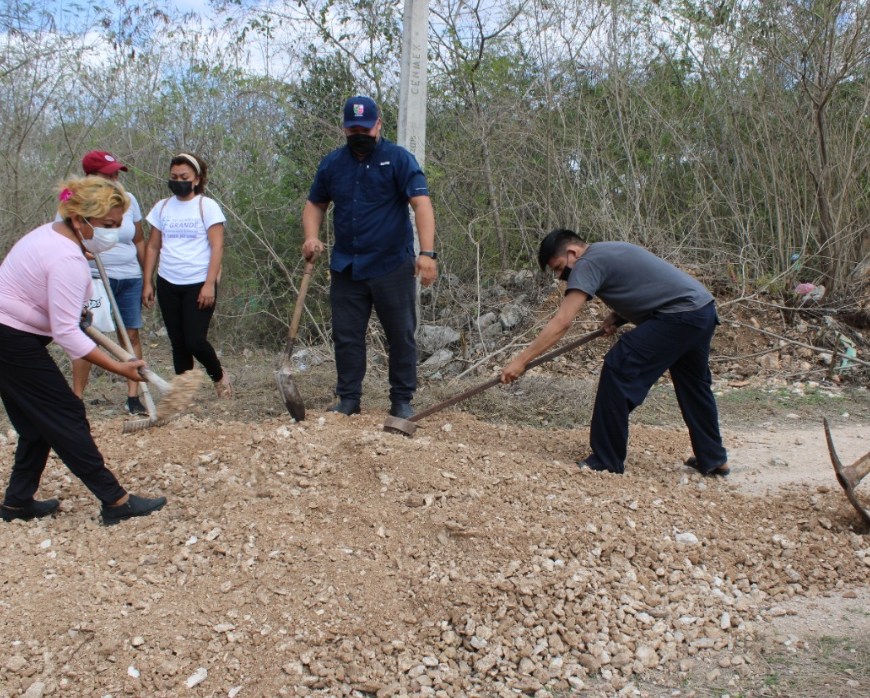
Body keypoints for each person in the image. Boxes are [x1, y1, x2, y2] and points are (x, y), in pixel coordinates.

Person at [0, 176, 167, 524]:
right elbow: (67, 334)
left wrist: (76, 311)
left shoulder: (50, 235)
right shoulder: (67, 259)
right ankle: (116, 501)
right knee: (66, 414)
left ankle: (16, 503)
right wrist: (119, 367)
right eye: (108, 225)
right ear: (79, 220)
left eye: (118, 224)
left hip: (10, 334)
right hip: (11, 340)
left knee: (35, 424)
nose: (114, 233)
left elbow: (48, 304)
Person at [501, 229, 728, 476]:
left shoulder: (586, 263)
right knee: (694, 385)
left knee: (618, 369)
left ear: (572, 252)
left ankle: (606, 460)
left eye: (558, 267)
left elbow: (562, 321)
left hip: (679, 315)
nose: (559, 276)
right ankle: (713, 458)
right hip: (702, 311)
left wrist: (521, 361)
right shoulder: (608, 250)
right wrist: (619, 316)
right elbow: (647, 284)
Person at [302, 95, 437, 418]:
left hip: (391, 264)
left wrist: (427, 253)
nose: (359, 134)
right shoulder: (332, 164)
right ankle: (349, 399)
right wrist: (311, 236)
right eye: (353, 129)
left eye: (365, 128)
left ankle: (401, 401)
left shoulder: (399, 159)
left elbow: (421, 204)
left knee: (400, 335)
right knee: (346, 336)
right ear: (344, 128)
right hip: (347, 266)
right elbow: (315, 204)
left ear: (378, 125)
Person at [142, 152, 232, 398]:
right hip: (168, 281)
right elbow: (153, 246)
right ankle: (183, 394)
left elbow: (217, 247)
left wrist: (210, 284)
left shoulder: (207, 206)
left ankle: (218, 375)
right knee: (178, 342)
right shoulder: (162, 207)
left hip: (198, 282)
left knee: (195, 340)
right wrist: (147, 281)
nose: (178, 181)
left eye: (184, 177)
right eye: (174, 177)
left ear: (196, 179)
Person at [70, 150, 148, 416]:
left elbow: (139, 239)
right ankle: (77, 399)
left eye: (116, 174)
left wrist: (148, 279)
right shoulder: (76, 202)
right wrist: (81, 253)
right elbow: (66, 239)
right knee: (88, 334)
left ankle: (134, 397)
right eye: (109, 175)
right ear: (91, 176)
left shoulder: (129, 200)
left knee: (131, 334)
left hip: (130, 277)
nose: (115, 179)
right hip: (93, 278)